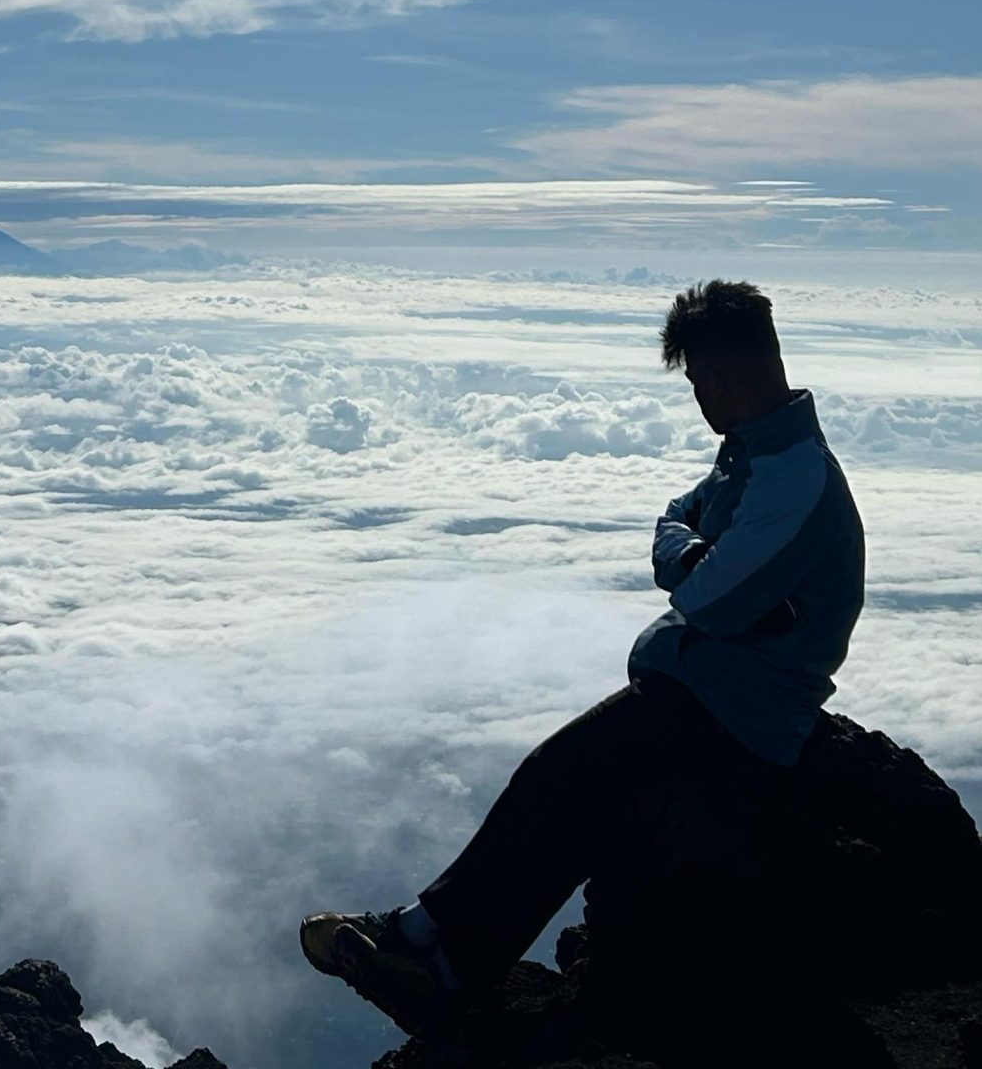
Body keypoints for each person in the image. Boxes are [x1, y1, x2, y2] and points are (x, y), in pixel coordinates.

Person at [301, 278, 866, 1038]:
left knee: (557, 778)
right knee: (573, 801)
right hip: (711, 689)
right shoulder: (754, 459)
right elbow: (675, 525)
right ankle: (447, 960)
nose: (699, 400)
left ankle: (426, 943)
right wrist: (693, 555)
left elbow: (704, 598)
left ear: (728, 375)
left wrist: (692, 562)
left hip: (737, 711)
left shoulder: (790, 478)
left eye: (699, 381)